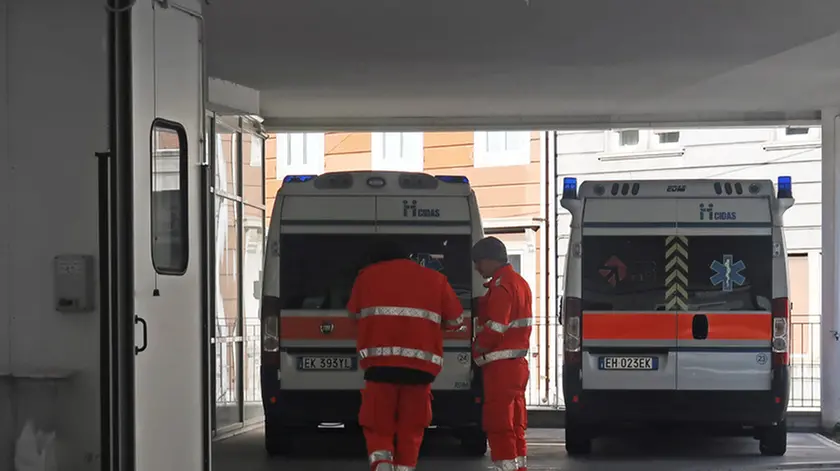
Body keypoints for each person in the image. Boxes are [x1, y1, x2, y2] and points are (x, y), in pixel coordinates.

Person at [347, 239, 465, 471]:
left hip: (379, 367)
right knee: (412, 428)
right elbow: (456, 321)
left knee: (378, 424)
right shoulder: (436, 279)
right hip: (420, 369)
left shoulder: (366, 277)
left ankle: (381, 463)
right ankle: (405, 467)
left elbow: (353, 316)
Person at [471, 236, 533, 471]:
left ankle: (505, 466)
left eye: (478, 262)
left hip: (500, 366)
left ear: (489, 260)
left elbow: (496, 327)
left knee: (498, 422)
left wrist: (477, 349)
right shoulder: (519, 282)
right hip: (516, 364)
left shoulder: (501, 285)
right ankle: (517, 466)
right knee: (515, 422)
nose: (477, 268)